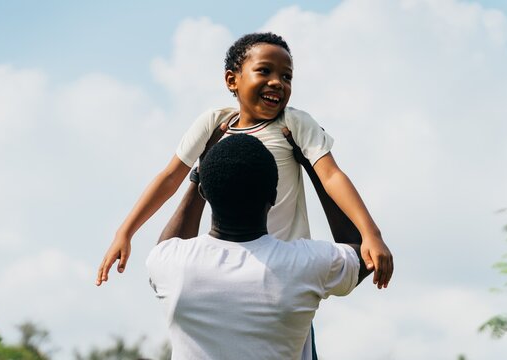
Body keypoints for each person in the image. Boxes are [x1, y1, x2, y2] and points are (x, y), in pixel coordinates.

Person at [96, 32, 392, 289]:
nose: (277, 82)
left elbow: (331, 176)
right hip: (229, 261)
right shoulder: (214, 124)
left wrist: (371, 233)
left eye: (286, 76)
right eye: (264, 71)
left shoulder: (295, 123)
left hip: (286, 267)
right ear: (231, 80)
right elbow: (170, 177)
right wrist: (125, 233)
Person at [147, 134, 370, 360]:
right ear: (273, 197)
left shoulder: (171, 264)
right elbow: (365, 251)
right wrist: (314, 166)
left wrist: (198, 177)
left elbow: (165, 248)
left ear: (204, 193)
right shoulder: (304, 265)